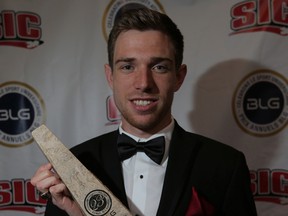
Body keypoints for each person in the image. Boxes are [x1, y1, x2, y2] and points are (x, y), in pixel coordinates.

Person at [31, 8, 257, 216]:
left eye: (159, 67)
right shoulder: (74, 166)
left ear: (179, 77)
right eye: (128, 67)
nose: (143, 83)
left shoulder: (225, 165)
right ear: (111, 76)